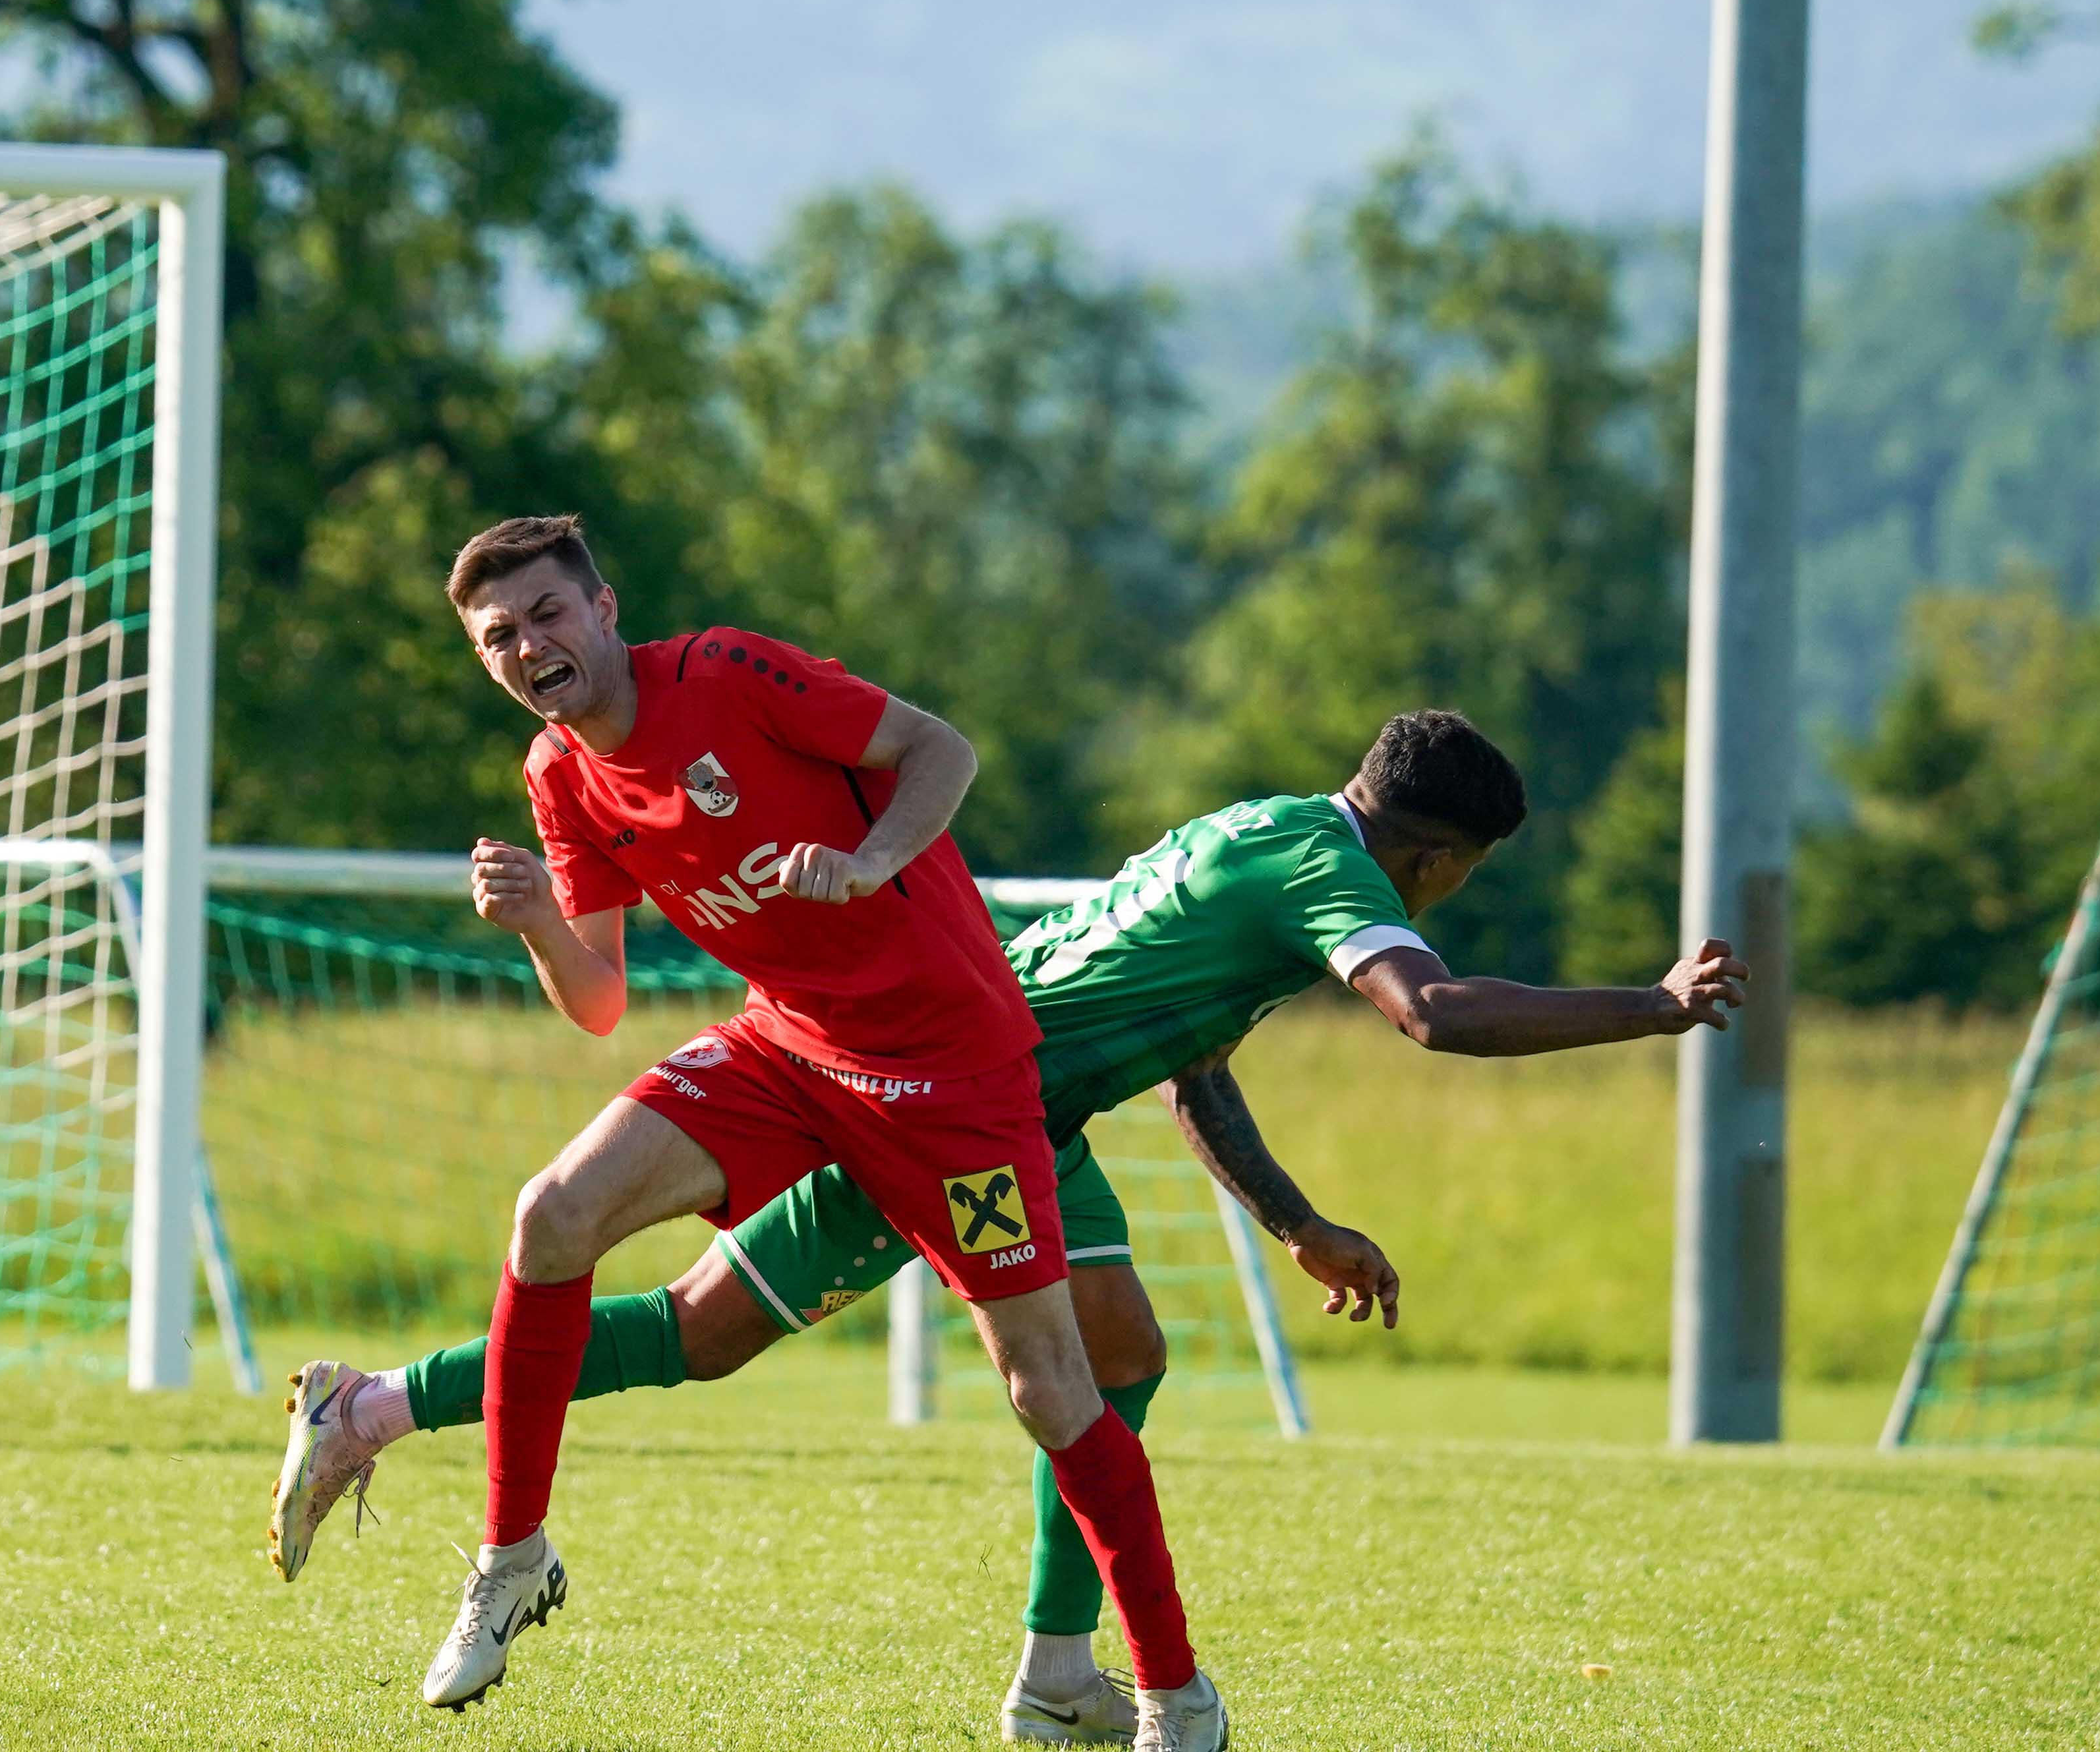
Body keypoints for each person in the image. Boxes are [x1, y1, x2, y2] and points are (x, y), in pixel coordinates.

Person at [274, 699, 1743, 1745]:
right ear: (1440, 856)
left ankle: (1057, 1673)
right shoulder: (1329, 874)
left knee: (1120, 1356)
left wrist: (1294, 1221)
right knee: (705, 1335)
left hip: (1022, 1098)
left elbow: (1192, 1063)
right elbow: (1437, 1014)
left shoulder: (1264, 829)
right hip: (941, 1099)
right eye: (1463, 875)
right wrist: (1655, 1006)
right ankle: (376, 1405)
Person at [310, 514, 1225, 1748]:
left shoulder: (728, 672)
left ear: (603, 610)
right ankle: (512, 1558)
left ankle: (1175, 1698)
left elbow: (941, 749)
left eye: (547, 614)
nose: (528, 646)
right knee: (553, 1215)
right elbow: (598, 999)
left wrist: (871, 857)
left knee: (1051, 1389)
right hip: (787, 1048)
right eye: (498, 635)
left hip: (951, 1076)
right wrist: (534, 924)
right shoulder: (557, 775)